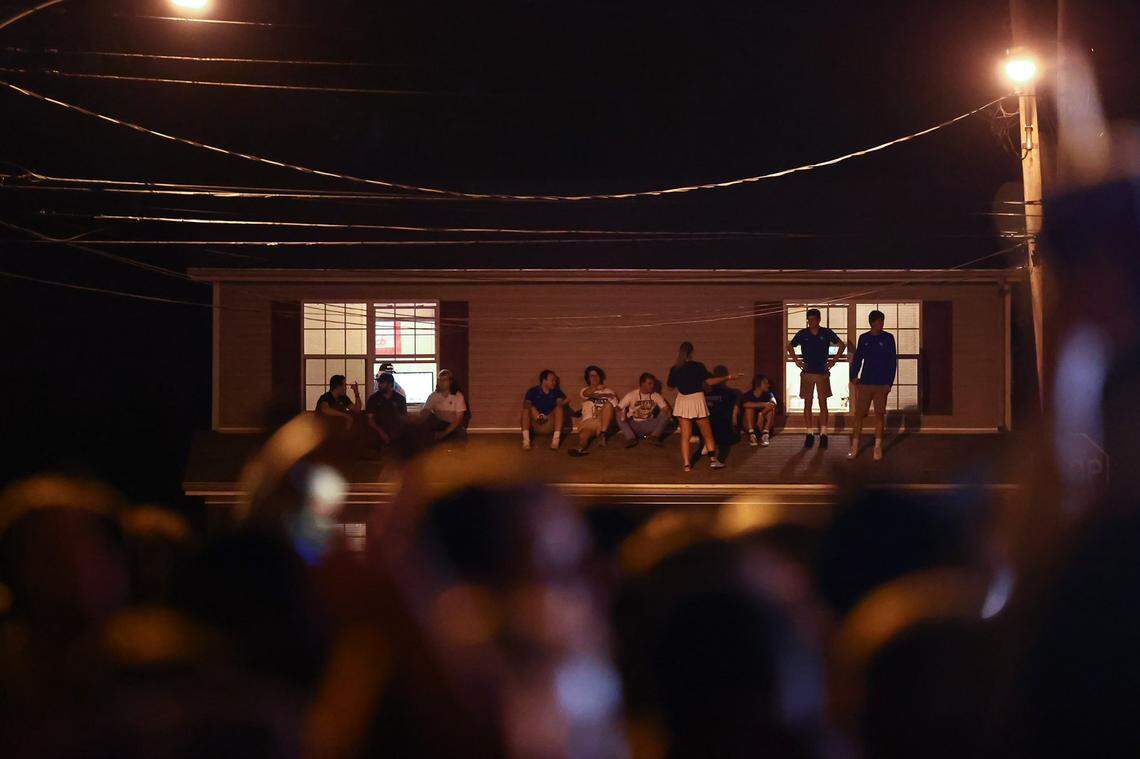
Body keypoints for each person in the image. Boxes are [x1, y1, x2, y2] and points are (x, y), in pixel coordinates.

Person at [666, 342, 738, 472]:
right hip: (697, 399)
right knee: (707, 433)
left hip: (682, 400)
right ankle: (713, 460)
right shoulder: (698, 366)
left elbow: (670, 387)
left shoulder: (675, 368)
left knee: (685, 435)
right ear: (692, 353)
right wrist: (728, 377)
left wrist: (682, 382)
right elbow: (709, 381)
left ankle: (687, 465)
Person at [786, 308, 846, 450]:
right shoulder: (803, 333)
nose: (811, 322)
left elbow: (842, 345)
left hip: (822, 371)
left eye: (813, 319)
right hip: (807, 371)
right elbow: (789, 345)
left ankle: (824, 433)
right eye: (809, 320)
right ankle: (809, 432)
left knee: (822, 402)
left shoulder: (826, 332)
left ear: (819, 320)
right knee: (807, 402)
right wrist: (796, 360)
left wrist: (833, 361)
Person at [848, 309, 897, 461]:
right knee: (858, 416)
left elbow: (892, 362)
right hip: (866, 382)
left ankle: (877, 447)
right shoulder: (864, 338)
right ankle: (855, 446)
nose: (881, 324)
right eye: (879, 321)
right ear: (872, 323)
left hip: (881, 384)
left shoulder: (888, 338)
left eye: (882, 321)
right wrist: (853, 376)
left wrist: (889, 383)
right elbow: (858, 359)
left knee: (879, 415)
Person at [569, 365, 619, 456]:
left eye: (597, 375)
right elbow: (586, 394)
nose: (595, 377)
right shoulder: (585, 390)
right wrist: (596, 388)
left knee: (608, 405)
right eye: (592, 376)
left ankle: (602, 435)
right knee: (584, 436)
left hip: (603, 421)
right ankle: (579, 448)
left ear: (600, 377)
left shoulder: (609, 391)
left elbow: (615, 408)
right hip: (589, 421)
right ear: (588, 378)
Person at [617, 372, 671, 448]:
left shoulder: (656, 395)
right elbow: (618, 408)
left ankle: (654, 437)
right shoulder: (632, 395)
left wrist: (666, 412)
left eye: (653, 384)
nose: (652, 386)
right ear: (642, 384)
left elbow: (666, 409)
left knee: (666, 413)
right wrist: (623, 412)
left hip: (648, 423)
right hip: (634, 424)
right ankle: (631, 438)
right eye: (649, 384)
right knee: (618, 415)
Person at [521, 370, 568, 450]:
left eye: (555, 381)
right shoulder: (533, 391)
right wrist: (535, 411)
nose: (554, 383)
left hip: (550, 422)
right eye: (552, 380)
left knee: (559, 409)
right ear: (544, 380)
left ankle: (555, 441)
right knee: (526, 410)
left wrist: (564, 402)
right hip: (536, 422)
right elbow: (526, 404)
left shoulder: (557, 392)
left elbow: (559, 403)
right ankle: (526, 441)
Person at [421, 369, 468, 442]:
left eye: (444, 380)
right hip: (439, 425)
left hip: (454, 426)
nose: (441, 382)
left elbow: (458, 419)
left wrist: (444, 433)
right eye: (440, 380)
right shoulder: (433, 396)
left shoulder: (458, 396)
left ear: (450, 381)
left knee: (460, 436)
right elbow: (425, 411)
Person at [704, 365, 741, 455]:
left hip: (722, 422)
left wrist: (734, 415)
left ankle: (709, 443)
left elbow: (735, 405)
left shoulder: (731, 392)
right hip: (713, 421)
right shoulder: (708, 391)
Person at [365, 372, 407, 447]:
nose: (379, 385)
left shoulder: (400, 399)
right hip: (377, 433)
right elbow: (370, 420)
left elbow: (404, 418)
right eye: (379, 382)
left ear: (390, 384)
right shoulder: (373, 399)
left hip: (396, 434)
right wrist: (381, 432)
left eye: (382, 383)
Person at [740, 373, 778, 447]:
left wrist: (761, 414)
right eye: (765, 383)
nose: (768, 385)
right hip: (750, 425)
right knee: (749, 409)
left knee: (770, 409)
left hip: (763, 425)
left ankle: (765, 435)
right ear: (758, 385)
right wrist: (763, 404)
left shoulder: (768, 394)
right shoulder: (748, 394)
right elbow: (745, 404)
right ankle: (752, 435)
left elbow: (774, 403)